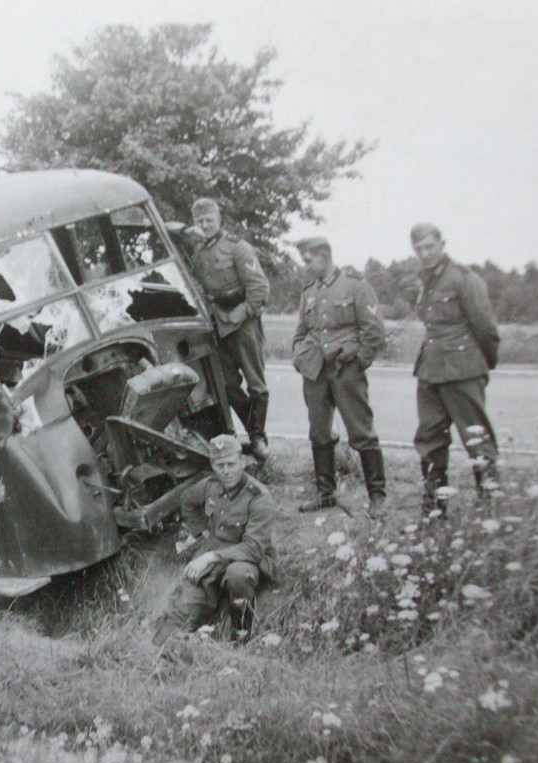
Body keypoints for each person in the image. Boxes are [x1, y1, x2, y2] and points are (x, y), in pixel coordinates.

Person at [292, 237, 388, 519]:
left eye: (309, 260)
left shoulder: (355, 285)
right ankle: (325, 493)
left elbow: (374, 332)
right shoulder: (308, 292)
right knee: (319, 431)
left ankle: (377, 497)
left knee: (361, 431)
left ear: (325, 255)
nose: (306, 266)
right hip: (316, 371)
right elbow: (301, 332)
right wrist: (300, 356)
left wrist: (358, 362)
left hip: (346, 369)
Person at [410, 223, 501, 515]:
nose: (424, 253)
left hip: (462, 371)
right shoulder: (426, 280)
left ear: (442, 244)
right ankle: (434, 507)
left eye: (429, 247)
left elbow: (486, 328)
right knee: (430, 440)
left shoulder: (463, 278)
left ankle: (490, 506)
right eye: (419, 248)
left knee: (477, 439)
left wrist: (481, 365)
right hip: (430, 371)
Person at [152, 434, 277, 645]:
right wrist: (202, 533)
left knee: (237, 575)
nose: (226, 471)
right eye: (220, 465)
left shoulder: (258, 497)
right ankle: (163, 648)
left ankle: (241, 636)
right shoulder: (211, 485)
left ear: (243, 462)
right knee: (183, 611)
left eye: (231, 464)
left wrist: (211, 555)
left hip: (245, 559)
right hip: (214, 557)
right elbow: (187, 499)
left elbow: (254, 548)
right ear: (213, 465)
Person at [188, 198, 271, 459]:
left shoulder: (238, 248)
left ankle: (257, 438)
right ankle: (254, 435)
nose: (205, 225)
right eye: (200, 221)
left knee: (256, 384)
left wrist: (243, 312)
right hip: (219, 326)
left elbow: (259, 288)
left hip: (243, 322)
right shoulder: (199, 253)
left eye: (209, 219)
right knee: (227, 384)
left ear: (219, 219)